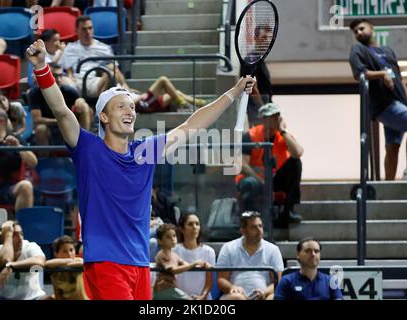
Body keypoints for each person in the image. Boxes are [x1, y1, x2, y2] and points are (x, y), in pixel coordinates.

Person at [26, 37, 255, 300]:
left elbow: (192, 126)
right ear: (103, 116)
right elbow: (62, 111)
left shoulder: (144, 151)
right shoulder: (88, 148)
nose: (130, 111)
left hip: (140, 264)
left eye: (132, 107)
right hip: (105, 262)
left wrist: (234, 92)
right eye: (121, 106)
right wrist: (42, 66)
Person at [349, 19, 407, 180]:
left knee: (392, 148)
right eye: (355, 31)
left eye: (361, 28)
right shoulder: (358, 49)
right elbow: (360, 74)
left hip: (400, 102)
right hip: (385, 105)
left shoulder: (388, 51)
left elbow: (398, 78)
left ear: (372, 28)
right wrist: (382, 74)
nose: (359, 33)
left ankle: (387, 187)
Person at [235, 102, 304, 228]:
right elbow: (242, 164)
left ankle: (288, 210)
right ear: (263, 119)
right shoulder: (251, 135)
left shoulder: (282, 136)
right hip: (255, 178)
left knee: (295, 163)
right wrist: (260, 180)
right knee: (249, 183)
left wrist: (283, 131)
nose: (275, 119)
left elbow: (298, 153)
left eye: (277, 116)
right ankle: (249, 218)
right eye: (271, 117)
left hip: (275, 178)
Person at [216, 211, 284, 300]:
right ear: (243, 230)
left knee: (274, 298)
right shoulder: (228, 247)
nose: (259, 230)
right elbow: (221, 279)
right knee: (237, 298)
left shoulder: (273, 249)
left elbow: (278, 281)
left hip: (265, 295)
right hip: (236, 295)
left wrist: (264, 292)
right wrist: (232, 287)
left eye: (260, 226)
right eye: (254, 227)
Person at [60, 15, 128, 97]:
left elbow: (115, 70)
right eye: (84, 29)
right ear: (76, 31)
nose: (88, 32)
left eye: (90, 28)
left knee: (110, 74)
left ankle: (100, 104)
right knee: (61, 80)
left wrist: (124, 84)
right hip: (76, 83)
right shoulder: (70, 48)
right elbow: (69, 72)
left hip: (96, 83)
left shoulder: (104, 48)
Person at [28, 63, 92, 146]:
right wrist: (61, 120)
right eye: (54, 76)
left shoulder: (67, 90)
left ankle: (85, 145)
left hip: (68, 127)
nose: (58, 79)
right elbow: (37, 119)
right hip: (49, 127)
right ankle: (44, 158)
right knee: (41, 129)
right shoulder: (35, 92)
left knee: (85, 107)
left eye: (60, 75)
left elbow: (80, 100)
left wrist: (81, 101)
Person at [0, 220, 49, 300]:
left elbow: (40, 261)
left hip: (34, 297)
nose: (20, 238)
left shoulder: (30, 246)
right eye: (14, 234)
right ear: (3, 236)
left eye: (21, 233)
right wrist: (7, 236)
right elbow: (5, 260)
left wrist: (11, 266)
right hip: (1, 297)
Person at [275, 237, 343, 300]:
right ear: (298, 255)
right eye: (308, 251)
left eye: (316, 251)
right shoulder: (286, 281)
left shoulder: (330, 281)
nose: (313, 254)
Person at [153, 223, 207, 300]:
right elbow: (173, 270)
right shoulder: (162, 254)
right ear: (160, 241)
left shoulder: (174, 255)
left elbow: (186, 264)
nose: (172, 239)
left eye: (174, 236)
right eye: (168, 237)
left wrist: (201, 264)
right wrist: (193, 264)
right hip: (163, 289)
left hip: (171, 288)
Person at [173, 213, 215, 300]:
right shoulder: (174, 251)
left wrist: (202, 296)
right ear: (182, 229)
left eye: (197, 224)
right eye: (190, 224)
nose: (194, 227)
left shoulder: (209, 251)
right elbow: (172, 280)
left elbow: (209, 282)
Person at [240, 25, 273, 127]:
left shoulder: (259, 58)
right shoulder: (251, 59)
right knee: (258, 141)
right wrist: (263, 110)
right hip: (258, 112)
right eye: (264, 37)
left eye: (269, 38)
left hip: (263, 109)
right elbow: (252, 89)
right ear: (255, 38)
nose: (267, 41)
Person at [129, 76, 206, 113]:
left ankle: (201, 103)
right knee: (163, 80)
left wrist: (133, 91)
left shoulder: (122, 89)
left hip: (145, 101)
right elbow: (127, 104)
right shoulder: (118, 94)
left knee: (176, 93)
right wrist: (139, 98)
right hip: (143, 104)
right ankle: (183, 103)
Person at [45, 235, 89, 300]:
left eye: (71, 250)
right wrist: (70, 261)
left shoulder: (78, 261)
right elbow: (47, 264)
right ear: (56, 254)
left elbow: (82, 262)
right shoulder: (55, 267)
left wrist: (67, 262)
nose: (69, 254)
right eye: (64, 251)